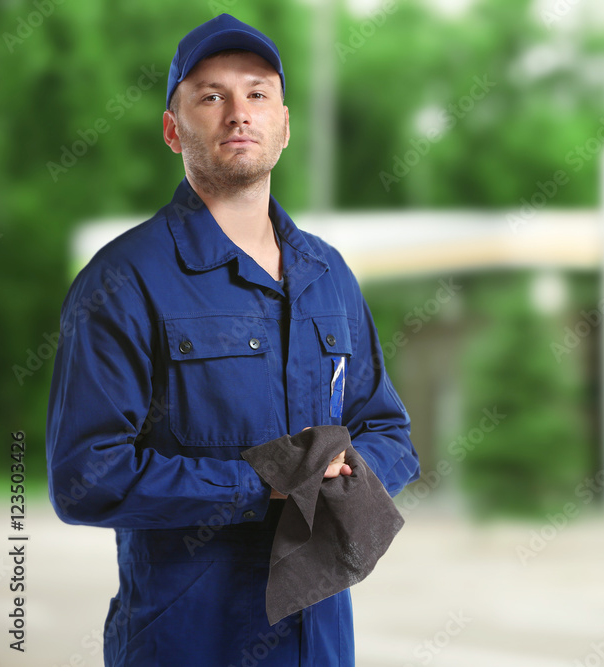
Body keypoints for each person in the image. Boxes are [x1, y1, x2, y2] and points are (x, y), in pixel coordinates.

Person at [45, 13, 420, 666]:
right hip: (187, 642)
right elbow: (85, 477)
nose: (238, 112)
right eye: (211, 95)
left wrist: (345, 479)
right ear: (173, 129)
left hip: (320, 641)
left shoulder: (328, 274)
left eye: (258, 93)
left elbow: (387, 428)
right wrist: (266, 484)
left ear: (284, 124)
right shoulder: (122, 282)